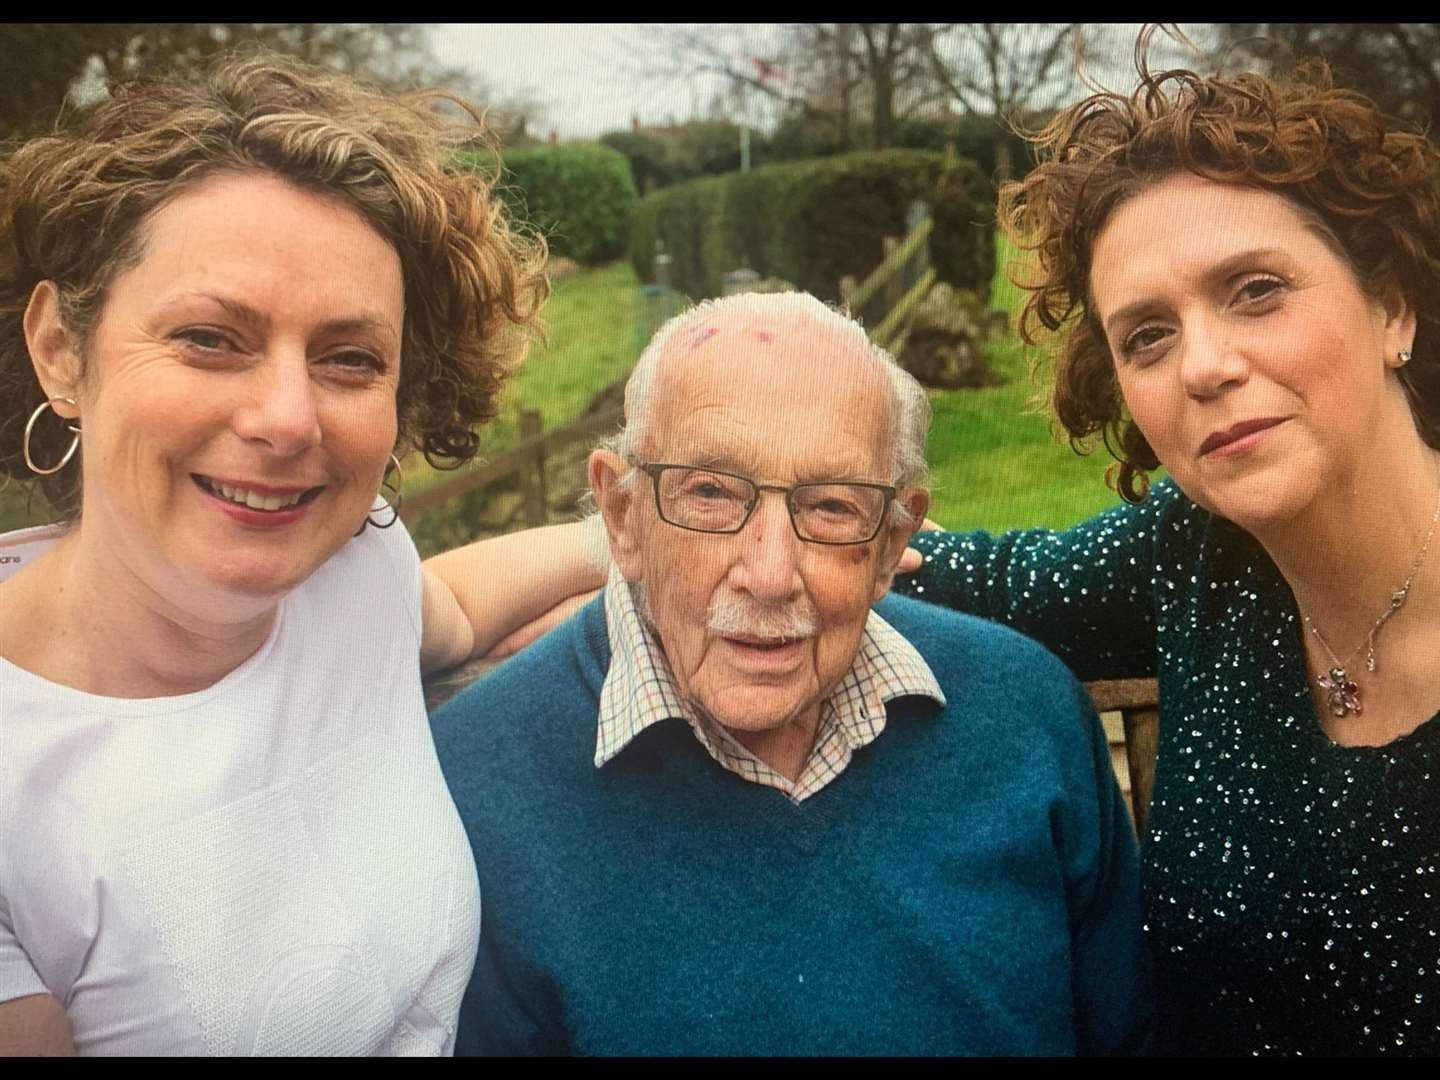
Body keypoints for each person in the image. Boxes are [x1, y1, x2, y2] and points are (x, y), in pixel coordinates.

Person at [0, 52, 598, 1055]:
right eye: (208, 337)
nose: (287, 419)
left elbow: (442, 605)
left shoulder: (353, 574)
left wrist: (628, 538)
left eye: (349, 358)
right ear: (62, 348)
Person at [886, 46, 1440, 1055]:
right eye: (1146, 336)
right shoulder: (1194, 556)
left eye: (1258, 289)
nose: (1205, 366)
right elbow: (933, 567)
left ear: (1392, 303)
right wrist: (640, 539)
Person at [429, 292, 1156, 1056]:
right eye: (709, 494)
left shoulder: (1025, 715)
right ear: (621, 517)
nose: (769, 574)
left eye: (833, 506)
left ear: (891, 543)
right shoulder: (476, 783)